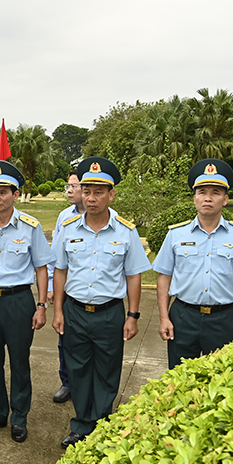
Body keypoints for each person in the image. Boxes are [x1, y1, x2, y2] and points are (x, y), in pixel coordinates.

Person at [52, 157, 151, 449]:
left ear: (112, 194)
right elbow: (60, 270)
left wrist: (132, 315)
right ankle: (82, 424)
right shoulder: (68, 228)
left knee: (107, 371)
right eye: (86, 190)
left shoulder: (126, 231)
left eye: (99, 191)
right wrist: (57, 310)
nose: (91, 197)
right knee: (79, 371)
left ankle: (102, 423)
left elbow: (134, 276)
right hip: (75, 311)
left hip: (109, 314)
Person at [0, 161, 55, 443]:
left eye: (3, 192)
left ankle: (19, 417)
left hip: (18, 301)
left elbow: (42, 268)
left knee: (19, 361)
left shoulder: (30, 226)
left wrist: (41, 306)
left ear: (15, 195)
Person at [153, 159, 233, 369]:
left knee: (221, 379)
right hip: (183, 317)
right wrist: (164, 317)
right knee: (178, 377)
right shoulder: (176, 234)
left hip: (223, 319)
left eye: (215, 193)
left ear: (225, 199)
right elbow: (164, 277)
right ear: (194, 198)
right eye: (202, 192)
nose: (208, 198)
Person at [47, 171, 85, 403]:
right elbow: (56, 256)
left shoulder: (112, 217)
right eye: (67, 186)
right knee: (65, 339)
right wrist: (52, 286)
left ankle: (88, 385)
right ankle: (67, 382)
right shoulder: (64, 216)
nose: (69, 191)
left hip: (92, 292)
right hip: (68, 290)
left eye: (74, 186)